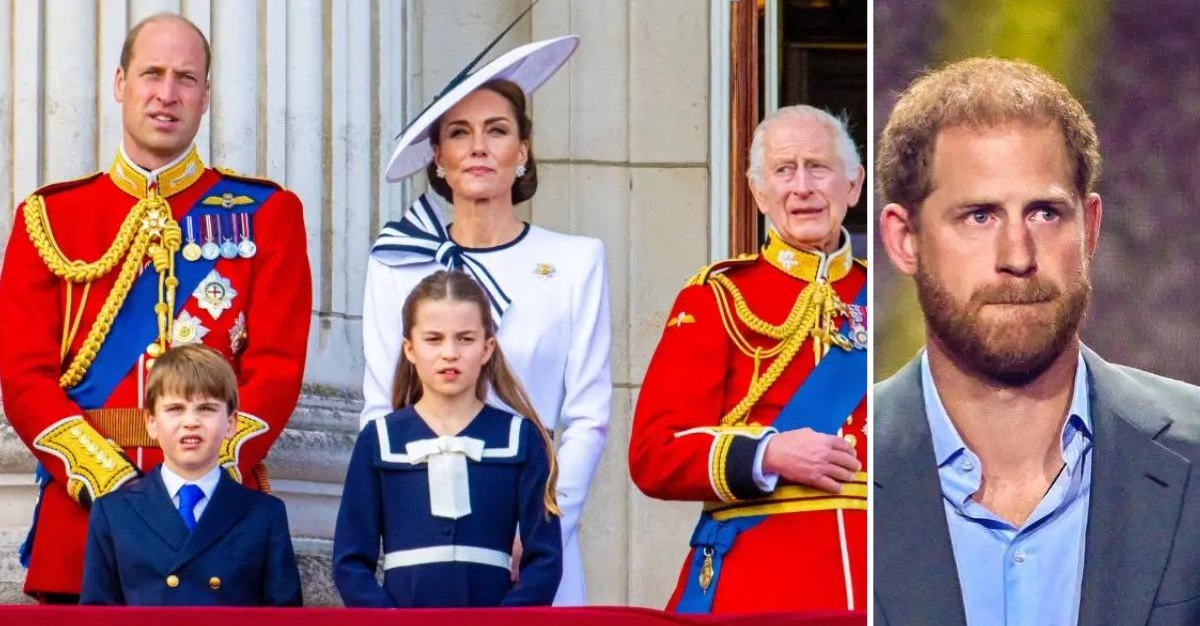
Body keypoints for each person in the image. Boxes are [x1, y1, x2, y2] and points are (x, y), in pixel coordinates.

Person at [874, 57, 1200, 626]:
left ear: (1090, 228)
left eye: (1046, 213)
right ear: (905, 240)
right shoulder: (839, 471)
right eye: (979, 217)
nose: (1018, 256)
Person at [0, 13, 311, 602]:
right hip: (85, 520)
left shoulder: (268, 213)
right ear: (120, 83)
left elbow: (276, 368)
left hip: (214, 526)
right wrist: (112, 483)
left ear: (206, 96)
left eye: (186, 79)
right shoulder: (48, 218)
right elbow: (22, 376)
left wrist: (192, 476)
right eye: (152, 74)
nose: (167, 95)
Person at [362, 35, 608, 605]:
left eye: (496, 130)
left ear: (522, 150)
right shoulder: (398, 263)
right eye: (458, 133)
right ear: (438, 160)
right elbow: (380, 410)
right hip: (426, 539)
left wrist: (544, 527)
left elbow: (589, 416)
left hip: (534, 528)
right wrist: (404, 523)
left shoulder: (577, 261)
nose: (478, 147)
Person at [629, 105, 868, 614]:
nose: (802, 186)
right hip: (762, 584)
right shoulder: (717, 298)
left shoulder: (900, 299)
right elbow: (654, 454)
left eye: (818, 167)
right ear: (759, 193)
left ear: (854, 185)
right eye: (784, 171)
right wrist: (769, 455)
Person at [335, 270, 562, 607]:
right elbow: (350, 561)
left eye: (465, 339)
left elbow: (545, 559)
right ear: (410, 349)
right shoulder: (380, 439)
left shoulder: (521, 437)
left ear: (487, 348)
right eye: (434, 339)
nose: (450, 353)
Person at [79, 345, 302, 606]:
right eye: (175, 409)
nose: (191, 421)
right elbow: (98, 614)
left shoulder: (264, 515)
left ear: (231, 423)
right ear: (151, 423)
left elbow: (285, 615)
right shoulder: (114, 512)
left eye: (206, 409)